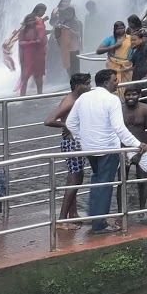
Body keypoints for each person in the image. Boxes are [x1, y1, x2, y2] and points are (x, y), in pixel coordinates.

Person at [66, 69, 147, 234]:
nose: (117, 82)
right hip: (108, 149)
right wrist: (138, 143)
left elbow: (70, 122)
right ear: (106, 83)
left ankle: (96, 217)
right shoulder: (112, 100)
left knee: (97, 181)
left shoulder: (84, 97)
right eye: (114, 80)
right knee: (104, 184)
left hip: (89, 149)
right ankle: (99, 224)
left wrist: (81, 137)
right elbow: (119, 128)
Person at [44, 73, 92, 223]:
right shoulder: (70, 101)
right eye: (87, 84)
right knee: (74, 178)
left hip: (76, 142)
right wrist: (67, 125)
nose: (90, 87)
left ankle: (73, 214)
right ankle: (63, 218)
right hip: (72, 143)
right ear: (78, 87)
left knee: (76, 178)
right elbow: (49, 120)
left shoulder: (77, 99)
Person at [120, 81, 147, 213]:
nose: (130, 97)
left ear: (139, 95)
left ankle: (142, 210)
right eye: (128, 95)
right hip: (123, 148)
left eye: (133, 94)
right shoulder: (119, 109)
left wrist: (141, 151)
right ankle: (121, 211)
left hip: (142, 147)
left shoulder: (146, 109)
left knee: (142, 181)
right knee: (122, 182)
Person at [52, 0, 80, 76]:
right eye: (64, 1)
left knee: (74, 66)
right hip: (63, 46)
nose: (65, 3)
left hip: (73, 48)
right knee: (66, 64)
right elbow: (57, 35)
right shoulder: (57, 13)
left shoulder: (75, 22)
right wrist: (57, 26)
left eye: (68, 1)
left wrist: (69, 29)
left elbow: (78, 35)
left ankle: (75, 81)